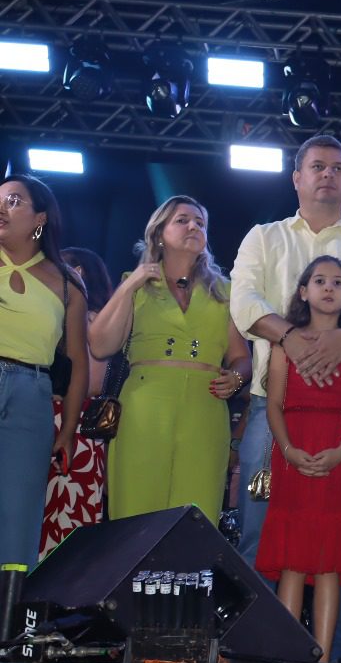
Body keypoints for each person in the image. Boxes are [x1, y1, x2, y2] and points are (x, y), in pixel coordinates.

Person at [230, 134, 341, 663]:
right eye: (318, 166)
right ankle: (259, 650)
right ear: (297, 178)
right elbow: (243, 301)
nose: (328, 175)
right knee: (261, 529)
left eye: (339, 168)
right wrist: (293, 338)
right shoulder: (265, 237)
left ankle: (340, 656)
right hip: (275, 409)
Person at [89, 195, 250, 521]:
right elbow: (100, 345)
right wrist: (130, 285)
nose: (193, 227)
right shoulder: (135, 283)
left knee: (195, 513)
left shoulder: (226, 291)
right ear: (159, 233)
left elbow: (241, 357)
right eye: (182, 220)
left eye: (200, 223)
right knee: (136, 511)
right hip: (145, 406)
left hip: (205, 408)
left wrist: (235, 377)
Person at [256, 255, 341, 663]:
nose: (329, 287)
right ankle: (290, 655)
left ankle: (321, 658)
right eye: (320, 280)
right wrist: (289, 450)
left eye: (338, 282)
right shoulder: (283, 345)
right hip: (296, 450)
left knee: (330, 561)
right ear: (303, 292)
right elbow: (274, 405)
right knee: (292, 558)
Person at [0, 174, 88, 576]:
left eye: (14, 200)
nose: (2, 208)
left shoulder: (67, 282)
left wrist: (68, 428)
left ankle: (9, 611)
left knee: (19, 515)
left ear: (40, 218)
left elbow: (78, 361)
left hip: (32, 395)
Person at [40, 247, 114, 559]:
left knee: (67, 520)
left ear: (78, 272)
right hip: (50, 419)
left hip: (76, 427)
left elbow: (92, 382)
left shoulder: (93, 319)